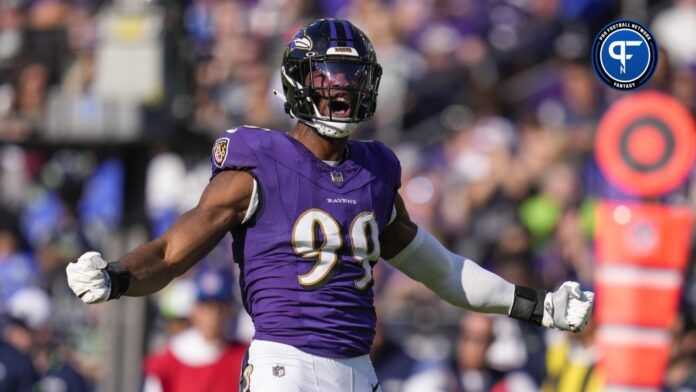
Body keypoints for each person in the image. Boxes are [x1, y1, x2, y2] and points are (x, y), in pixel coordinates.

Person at [66, 18, 594, 392]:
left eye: (353, 80)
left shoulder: (374, 171)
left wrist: (537, 305)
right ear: (299, 83)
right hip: (285, 368)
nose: (342, 93)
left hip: (358, 370)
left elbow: (442, 270)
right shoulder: (258, 162)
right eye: (328, 80)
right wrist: (117, 275)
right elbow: (171, 252)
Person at [143, 266, 249, 392]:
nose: (213, 314)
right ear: (193, 309)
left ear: (229, 310)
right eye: (206, 305)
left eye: (220, 305)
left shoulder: (246, 357)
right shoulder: (166, 362)